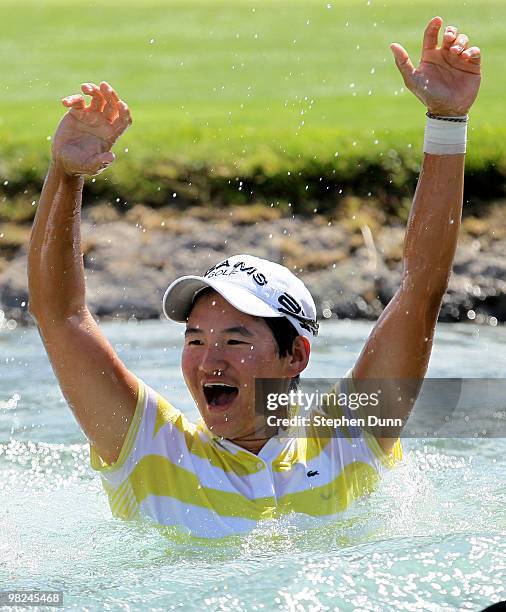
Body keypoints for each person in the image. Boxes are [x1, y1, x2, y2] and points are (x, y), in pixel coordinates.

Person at [28, 17, 481, 538]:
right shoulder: (148, 448)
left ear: (296, 357)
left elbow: (421, 291)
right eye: (195, 338)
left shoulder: (350, 434)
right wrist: (65, 176)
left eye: (235, 338)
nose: (208, 359)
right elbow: (61, 316)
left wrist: (446, 124)